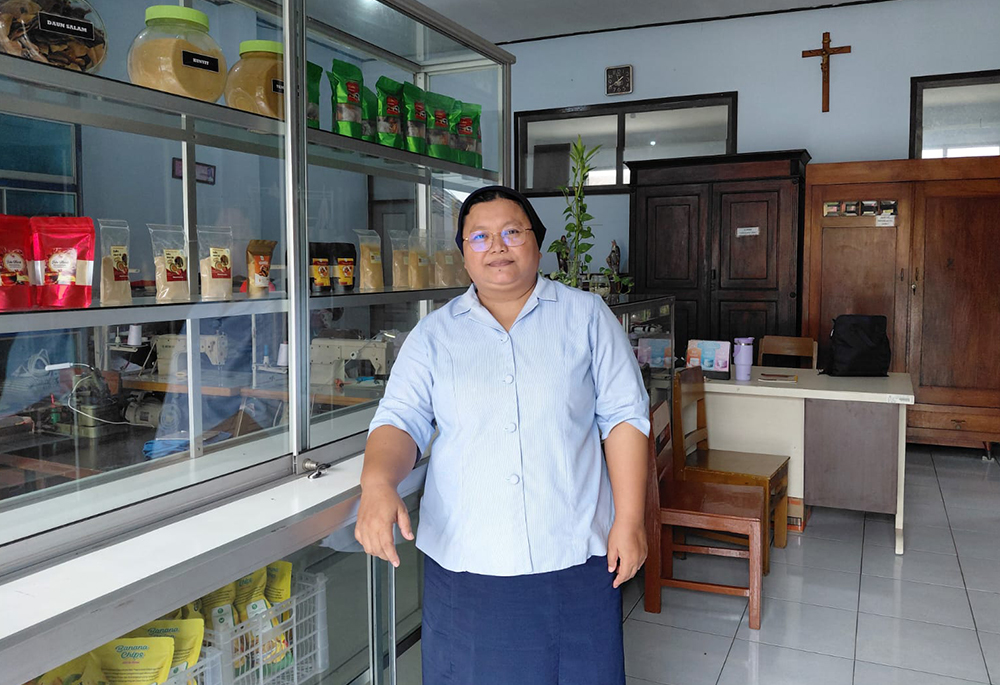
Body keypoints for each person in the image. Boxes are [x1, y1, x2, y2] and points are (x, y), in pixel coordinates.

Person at [355, 185, 650, 685]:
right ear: (463, 253)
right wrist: (377, 483)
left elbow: (623, 418)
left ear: (537, 242)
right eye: (480, 236)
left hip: (574, 553)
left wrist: (630, 519)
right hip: (468, 562)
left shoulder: (586, 316)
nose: (497, 246)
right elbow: (401, 419)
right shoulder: (434, 335)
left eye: (512, 232)